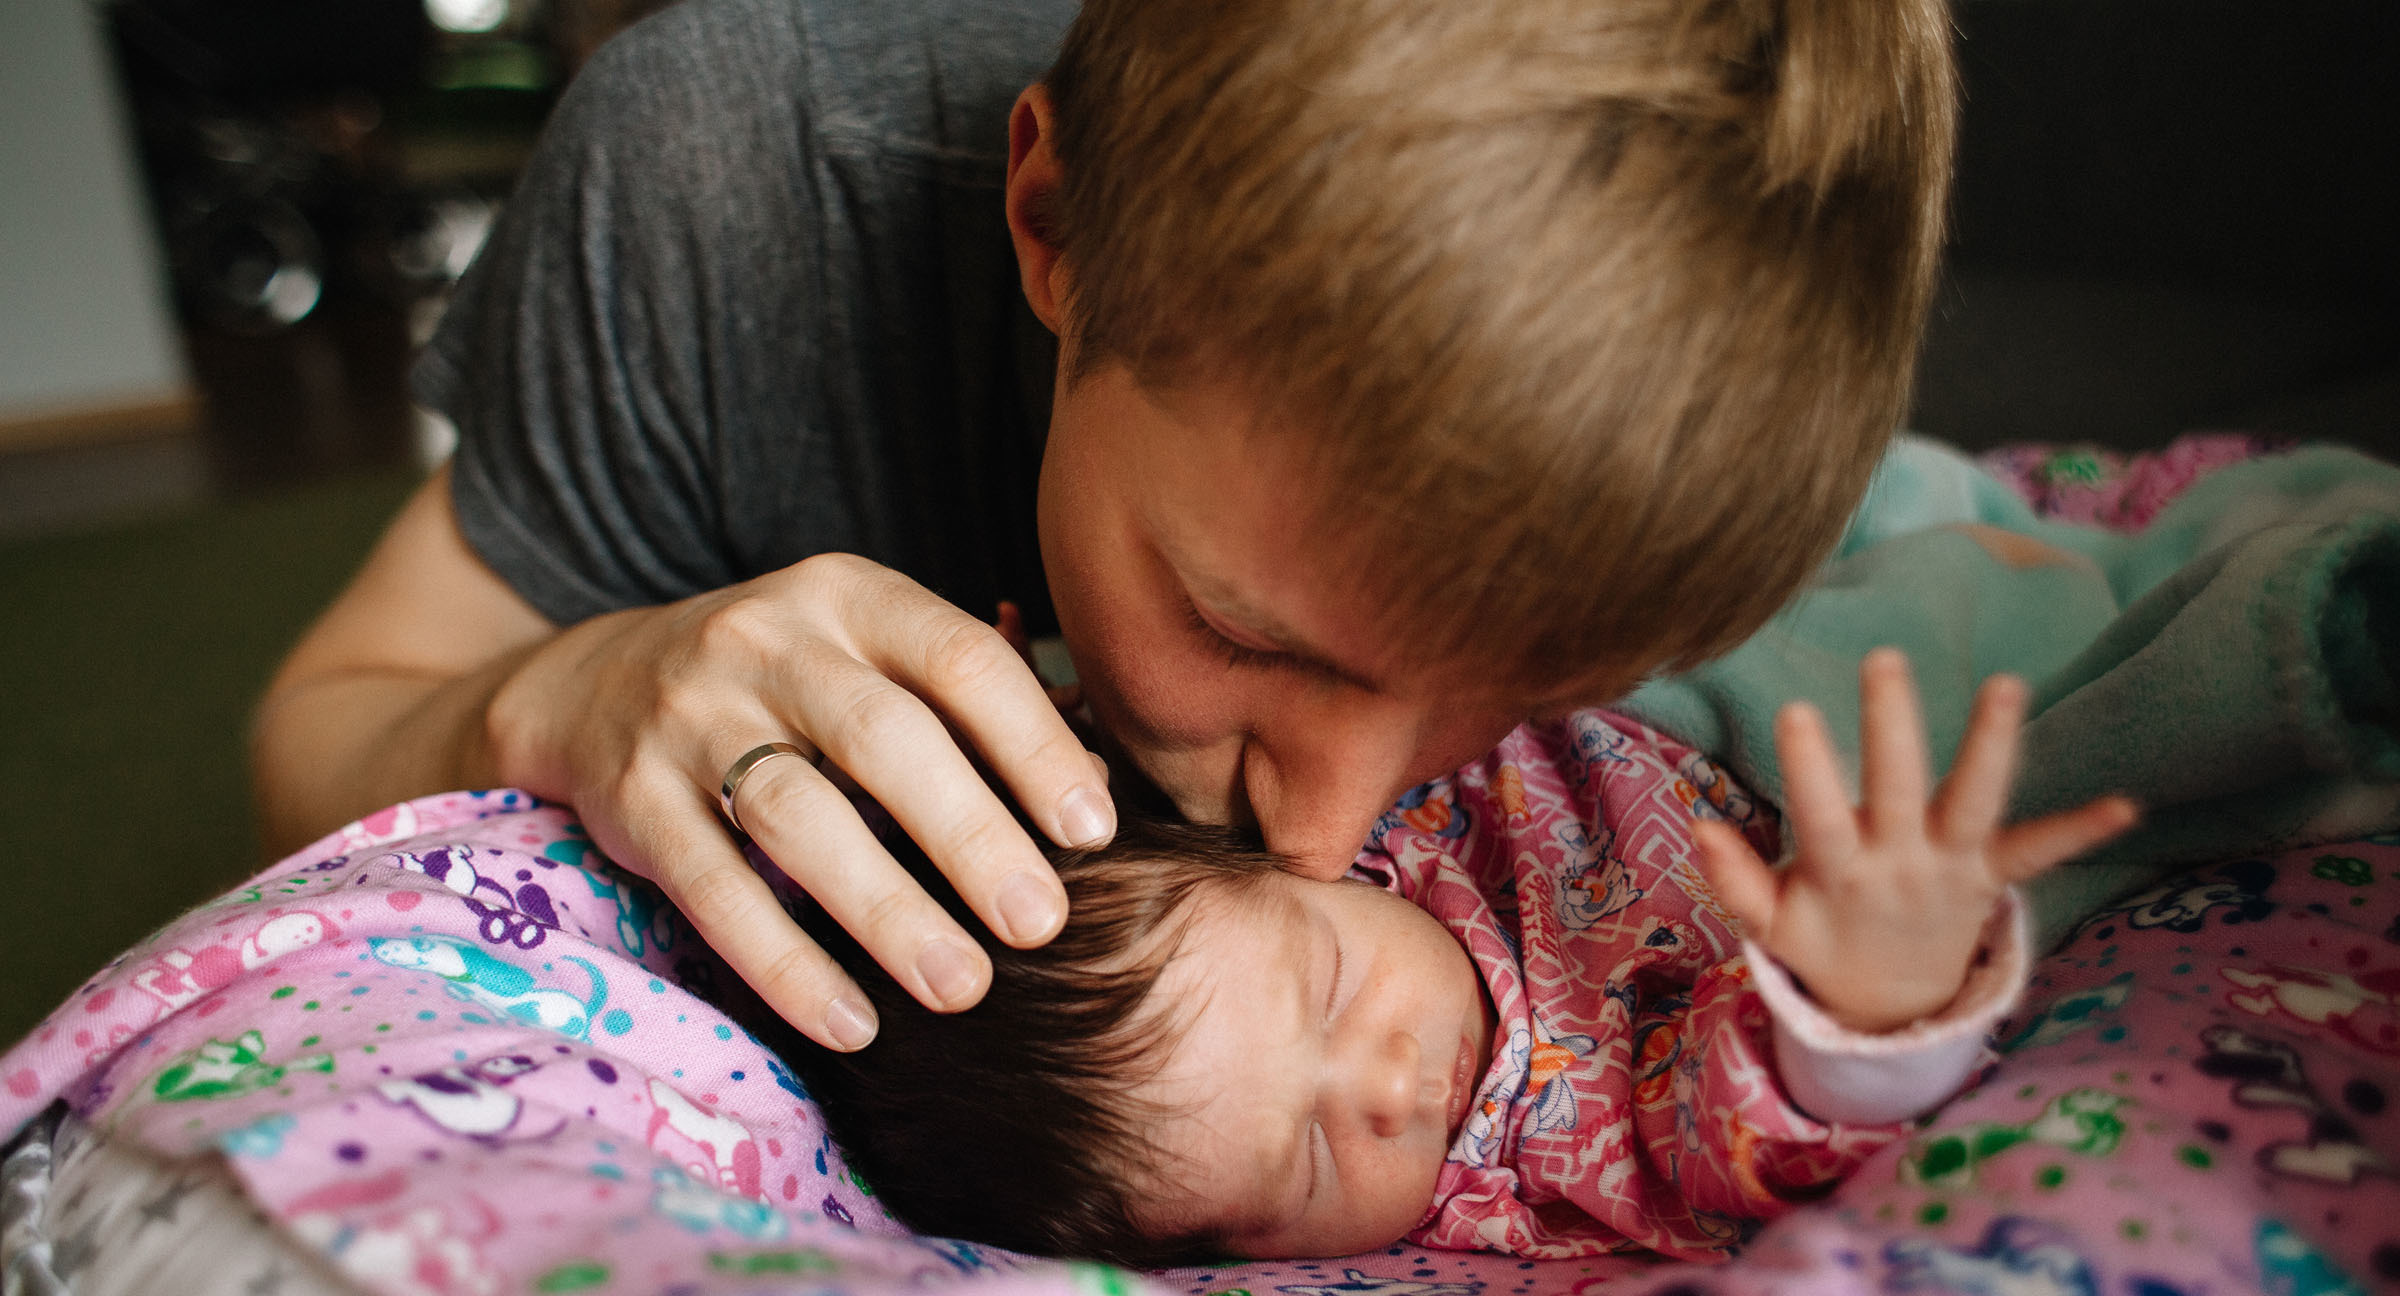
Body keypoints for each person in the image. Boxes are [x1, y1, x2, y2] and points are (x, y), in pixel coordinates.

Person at [250, 0, 1960, 1060]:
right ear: (1054, 223)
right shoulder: (729, 180)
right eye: (1251, 637)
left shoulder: (1727, 367)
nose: (1327, 835)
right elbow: (318, 726)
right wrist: (567, 687)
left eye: (1515, 698)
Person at [787, 655, 2139, 1265]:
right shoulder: (1544, 1149)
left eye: (1325, 988)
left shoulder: (1333, 806)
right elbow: (1728, 1143)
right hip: (1830, 900)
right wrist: (1858, 1007)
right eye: (1309, 1160)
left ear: (1267, 861)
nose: (1382, 1083)